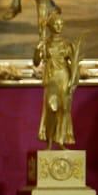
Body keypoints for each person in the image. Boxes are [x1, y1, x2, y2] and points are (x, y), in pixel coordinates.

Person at [34, 9, 82, 148]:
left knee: (64, 110)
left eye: (61, 24)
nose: (59, 27)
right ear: (50, 26)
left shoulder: (67, 45)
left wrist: (74, 80)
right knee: (51, 109)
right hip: (51, 78)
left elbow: (73, 64)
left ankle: (60, 141)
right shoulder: (46, 44)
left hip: (64, 77)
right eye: (56, 24)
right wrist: (38, 48)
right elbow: (36, 62)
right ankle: (49, 142)